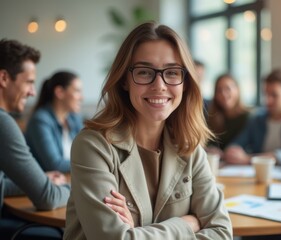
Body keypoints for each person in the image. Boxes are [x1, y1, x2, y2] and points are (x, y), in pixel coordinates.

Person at [64, 22, 233, 239]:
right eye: (144, 72)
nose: (159, 85)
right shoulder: (93, 146)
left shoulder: (190, 148)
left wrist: (137, 231)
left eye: (172, 72)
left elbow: (222, 232)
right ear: (125, 80)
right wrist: (187, 224)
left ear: (185, 82)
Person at [0, 39, 70, 239]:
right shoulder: (3, 124)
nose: (33, 91)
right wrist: (78, 188)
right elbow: (48, 198)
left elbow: (1, 185)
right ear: (4, 78)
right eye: (29, 82)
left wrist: (42, 180)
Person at [224, 67, 281, 165]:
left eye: (274, 95)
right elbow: (237, 143)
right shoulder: (257, 119)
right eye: (266, 95)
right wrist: (232, 152)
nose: (268, 101)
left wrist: (249, 159)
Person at [25, 71, 83, 173]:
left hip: (71, 178)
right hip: (50, 184)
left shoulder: (74, 118)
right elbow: (55, 164)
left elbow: (86, 150)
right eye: (77, 91)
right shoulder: (40, 120)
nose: (82, 97)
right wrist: (90, 164)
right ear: (59, 92)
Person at [206, 73, 250, 152]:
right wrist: (209, 149)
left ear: (237, 90)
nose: (223, 94)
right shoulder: (211, 116)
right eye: (219, 90)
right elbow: (206, 142)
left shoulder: (249, 117)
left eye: (228, 89)